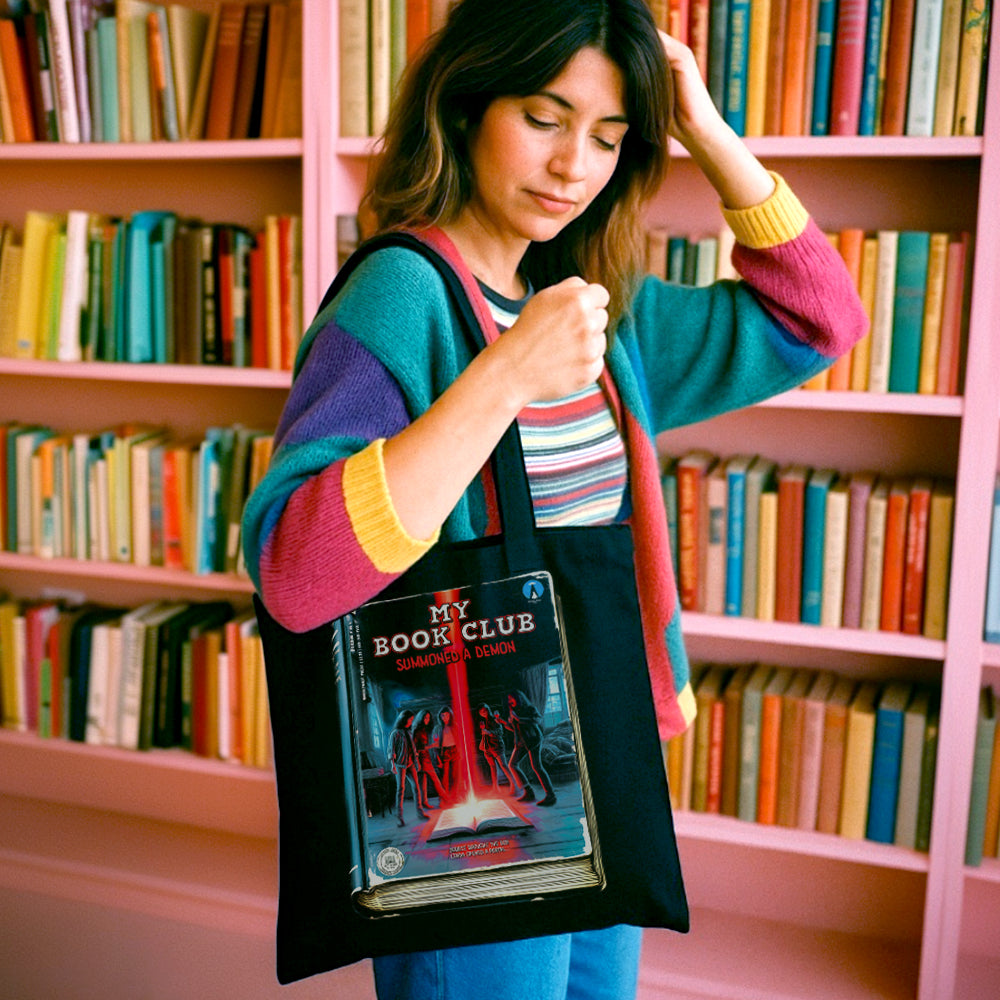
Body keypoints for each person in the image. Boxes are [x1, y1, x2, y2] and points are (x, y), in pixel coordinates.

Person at [241, 0, 867, 995]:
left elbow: (819, 318)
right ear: (467, 105)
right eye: (544, 117)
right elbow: (293, 570)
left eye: (610, 137)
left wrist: (704, 126)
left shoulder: (592, 307)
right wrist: (502, 376)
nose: (575, 164)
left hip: (600, 752)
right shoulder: (399, 294)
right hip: (467, 779)